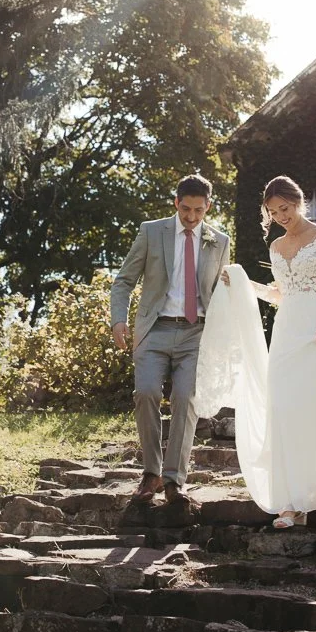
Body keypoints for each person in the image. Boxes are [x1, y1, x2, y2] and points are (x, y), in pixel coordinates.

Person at [195, 175, 316, 529]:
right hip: (286, 332)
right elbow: (281, 295)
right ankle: (290, 501)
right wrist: (244, 284)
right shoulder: (276, 247)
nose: (281, 216)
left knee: (315, 408)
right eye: (273, 212)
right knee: (283, 409)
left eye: (285, 208)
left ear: (298, 202)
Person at [110, 174, 233, 505]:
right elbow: (124, 281)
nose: (192, 217)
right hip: (155, 329)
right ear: (176, 203)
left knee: (184, 398)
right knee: (146, 392)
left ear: (208, 207)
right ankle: (151, 473)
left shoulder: (219, 240)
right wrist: (119, 320)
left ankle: (175, 479)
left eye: (198, 210)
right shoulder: (152, 231)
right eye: (186, 209)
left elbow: (221, 293)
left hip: (197, 333)